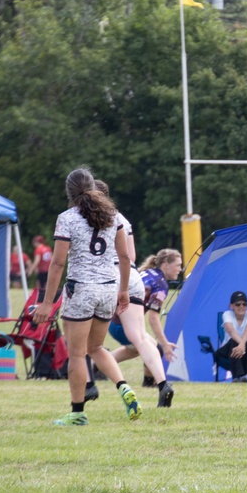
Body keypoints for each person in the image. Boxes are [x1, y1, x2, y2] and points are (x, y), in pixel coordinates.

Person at [32, 166, 141, 426]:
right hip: (107, 289)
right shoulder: (113, 215)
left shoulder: (67, 218)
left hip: (81, 289)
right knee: (97, 348)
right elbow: (125, 257)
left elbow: (58, 264)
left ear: (69, 192)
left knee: (78, 354)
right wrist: (124, 290)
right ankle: (124, 387)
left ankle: (77, 413)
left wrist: (48, 303)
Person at [94, 179, 174, 407]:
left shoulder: (87, 218)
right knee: (139, 337)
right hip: (131, 275)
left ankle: (87, 385)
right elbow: (130, 256)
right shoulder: (123, 219)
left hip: (106, 276)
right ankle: (162, 384)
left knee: (88, 341)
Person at [109, 249, 182, 391]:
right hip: (122, 325)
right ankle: (148, 383)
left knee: (135, 350)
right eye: (178, 265)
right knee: (155, 349)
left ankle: (96, 364)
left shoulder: (149, 273)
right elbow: (153, 318)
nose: (180, 269)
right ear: (165, 265)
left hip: (115, 322)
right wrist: (165, 343)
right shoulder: (161, 284)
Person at [217, 291, 247, 382]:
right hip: (228, 349)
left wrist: (242, 345)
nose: (241, 307)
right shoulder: (227, 314)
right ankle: (241, 376)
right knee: (234, 341)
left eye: (244, 304)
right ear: (231, 306)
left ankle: (241, 377)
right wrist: (241, 345)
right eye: (238, 304)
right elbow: (231, 331)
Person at [28, 235, 53, 301]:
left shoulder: (38, 249)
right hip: (48, 269)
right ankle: (46, 299)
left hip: (42, 270)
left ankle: (39, 299)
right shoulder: (48, 248)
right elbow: (51, 258)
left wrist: (31, 269)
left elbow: (37, 261)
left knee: (39, 286)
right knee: (46, 285)